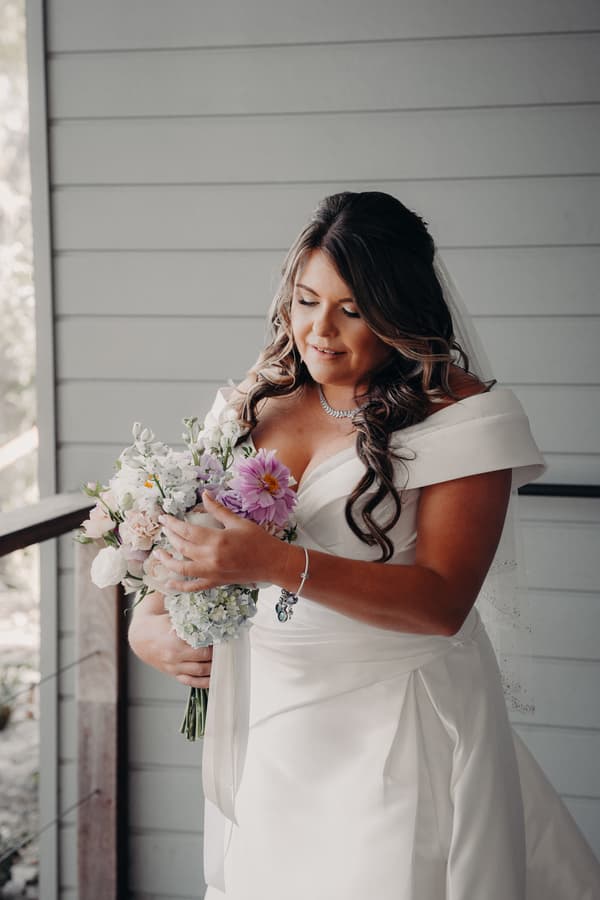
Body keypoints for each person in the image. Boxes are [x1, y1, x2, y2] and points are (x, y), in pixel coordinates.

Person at [128, 191, 600, 899]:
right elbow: (185, 536)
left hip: (396, 721)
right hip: (271, 720)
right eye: (306, 299)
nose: (320, 331)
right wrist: (149, 623)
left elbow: (443, 603)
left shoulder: (468, 421)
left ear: (401, 311)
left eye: (351, 310)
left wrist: (274, 564)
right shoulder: (255, 399)